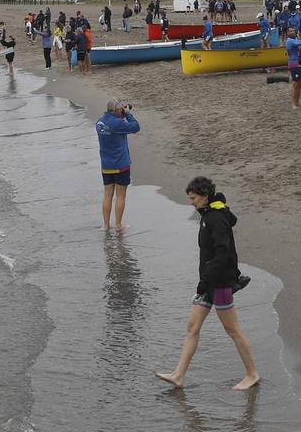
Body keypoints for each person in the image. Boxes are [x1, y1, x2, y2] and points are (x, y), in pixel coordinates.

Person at [155, 176, 259, 391]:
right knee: (192, 327)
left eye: (193, 198)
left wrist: (207, 281)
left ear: (205, 196)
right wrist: (204, 282)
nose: (191, 203)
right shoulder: (208, 214)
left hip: (219, 284)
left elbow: (224, 253)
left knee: (232, 330)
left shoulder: (215, 217)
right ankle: (178, 375)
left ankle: (252, 374)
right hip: (208, 283)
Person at [95, 98, 140, 231]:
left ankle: (106, 225)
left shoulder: (99, 122)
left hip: (106, 164)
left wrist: (121, 115)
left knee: (107, 195)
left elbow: (111, 126)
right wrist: (128, 114)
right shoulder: (118, 123)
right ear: (118, 109)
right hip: (121, 164)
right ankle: (119, 225)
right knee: (120, 196)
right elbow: (135, 127)